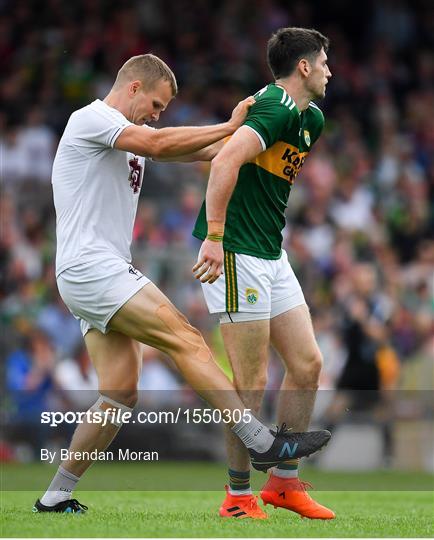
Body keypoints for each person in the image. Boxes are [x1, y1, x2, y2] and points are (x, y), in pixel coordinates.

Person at [33, 54, 330, 514]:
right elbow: (156, 143)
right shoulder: (92, 118)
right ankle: (261, 440)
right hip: (93, 268)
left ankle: (55, 496)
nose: (158, 113)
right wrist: (227, 122)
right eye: (156, 103)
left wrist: (241, 137)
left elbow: (196, 150)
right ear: (133, 87)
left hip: (90, 272)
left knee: (118, 394)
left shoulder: (128, 135)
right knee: (186, 340)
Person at [192, 28, 335, 519]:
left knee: (307, 364)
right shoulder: (272, 106)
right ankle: (236, 497)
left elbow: (221, 153)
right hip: (235, 251)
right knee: (250, 380)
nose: (329, 72)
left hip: (271, 253)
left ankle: (283, 484)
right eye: (323, 63)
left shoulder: (310, 117)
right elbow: (224, 159)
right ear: (303, 67)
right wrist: (213, 235)